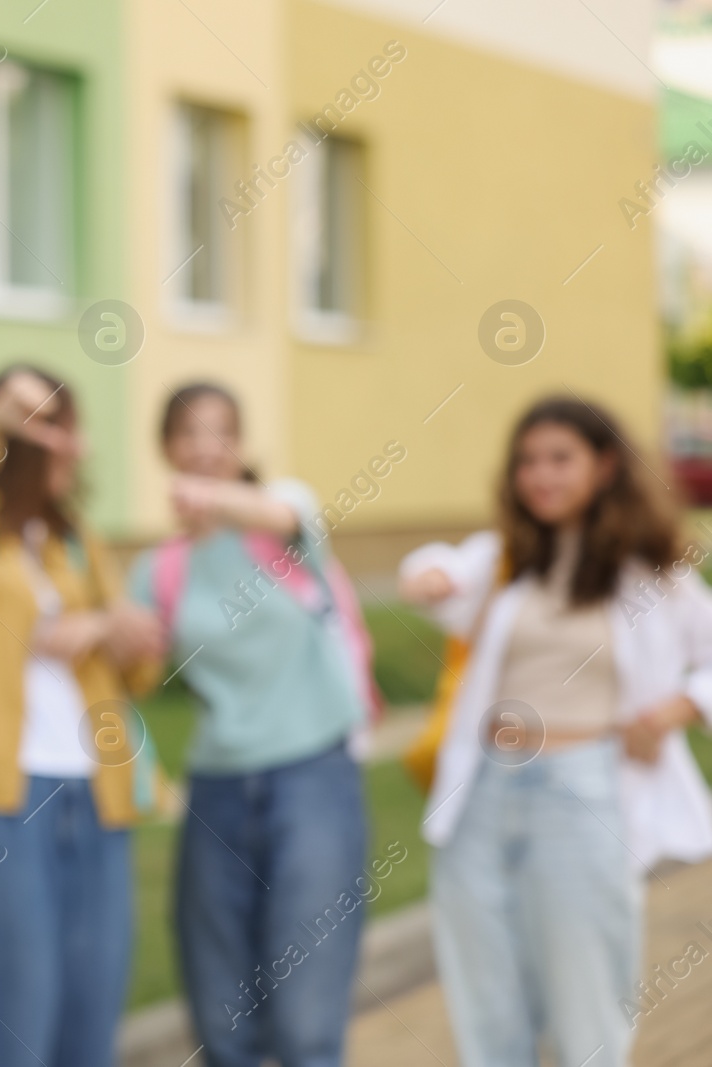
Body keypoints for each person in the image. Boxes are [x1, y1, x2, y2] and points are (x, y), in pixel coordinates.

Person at [399, 396, 712, 1067]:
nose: (540, 475)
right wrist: (426, 577)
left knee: (586, 1001)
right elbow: (439, 570)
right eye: (527, 461)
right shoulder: (506, 557)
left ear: (603, 466)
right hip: (482, 792)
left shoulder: (651, 570)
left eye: (560, 459)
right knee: (487, 1001)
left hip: (582, 791)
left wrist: (673, 710)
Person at [0, 365, 166, 1067]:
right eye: (47, 426)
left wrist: (113, 627)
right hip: (4, 795)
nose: (68, 444)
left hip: (99, 793)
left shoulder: (75, 539)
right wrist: (4, 418)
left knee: (90, 1015)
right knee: (11, 1019)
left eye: (68, 426)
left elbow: (135, 670)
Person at [125, 381, 374, 1067]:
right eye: (189, 433)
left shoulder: (282, 517)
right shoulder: (159, 569)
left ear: (241, 446)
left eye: (221, 432)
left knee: (305, 1027)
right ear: (165, 447)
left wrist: (211, 500)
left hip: (313, 777)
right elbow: (131, 669)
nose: (206, 446)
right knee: (223, 1025)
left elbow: (278, 511)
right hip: (217, 790)